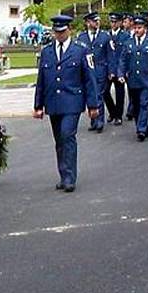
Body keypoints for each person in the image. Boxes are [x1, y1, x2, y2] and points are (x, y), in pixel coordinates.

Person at [33, 15, 99, 192]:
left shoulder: (81, 50)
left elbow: (89, 79)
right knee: (59, 140)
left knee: (67, 135)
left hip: (72, 101)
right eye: (56, 32)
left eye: (62, 32)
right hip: (53, 102)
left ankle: (70, 177)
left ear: (69, 30)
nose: (59, 35)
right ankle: (63, 175)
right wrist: (38, 106)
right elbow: (41, 80)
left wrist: (93, 105)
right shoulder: (47, 51)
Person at [118, 16, 148, 141]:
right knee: (136, 105)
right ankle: (142, 127)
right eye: (135, 28)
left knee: (144, 103)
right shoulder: (128, 43)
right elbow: (123, 60)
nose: (137, 30)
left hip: (147, 79)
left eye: (140, 28)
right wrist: (121, 74)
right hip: (133, 80)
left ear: (145, 29)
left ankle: (141, 129)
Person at [77, 12, 111, 133]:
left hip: (100, 70)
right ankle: (93, 120)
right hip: (86, 72)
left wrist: (110, 71)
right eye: (94, 21)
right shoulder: (81, 37)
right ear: (87, 23)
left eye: (98, 21)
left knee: (99, 95)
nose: (97, 23)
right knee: (90, 95)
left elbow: (109, 55)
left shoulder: (105, 36)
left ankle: (99, 121)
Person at [105, 12, 129, 126]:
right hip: (109, 69)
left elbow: (125, 55)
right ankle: (112, 111)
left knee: (120, 93)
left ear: (120, 23)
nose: (113, 24)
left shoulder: (125, 36)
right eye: (111, 22)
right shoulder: (106, 35)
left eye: (115, 22)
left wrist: (122, 71)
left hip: (120, 69)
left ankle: (118, 115)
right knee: (104, 91)